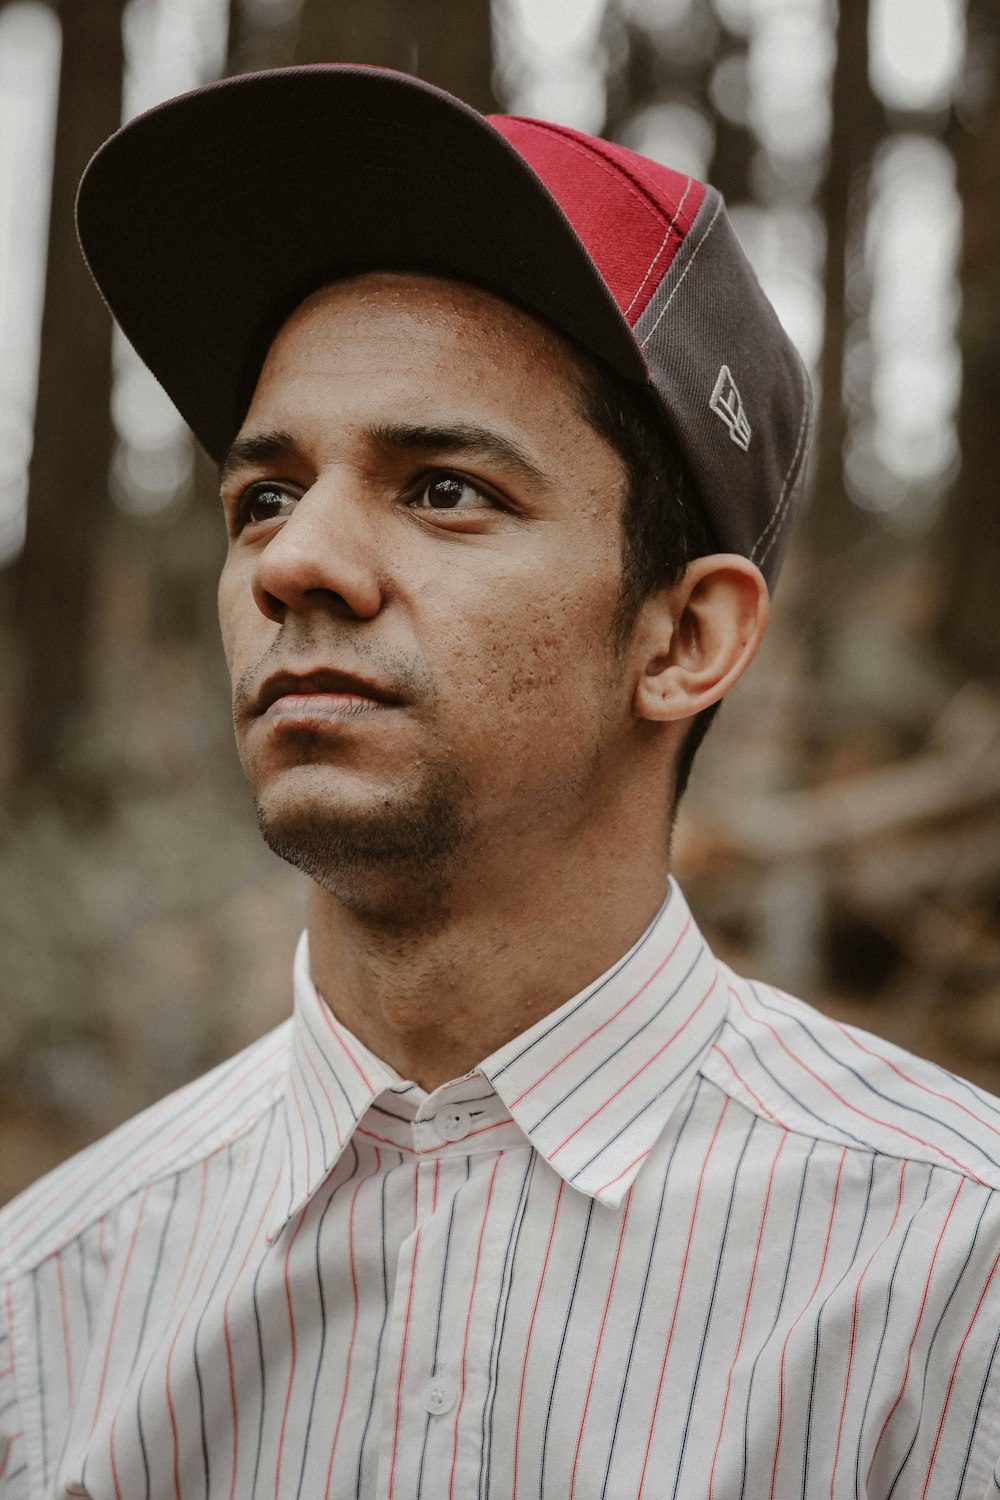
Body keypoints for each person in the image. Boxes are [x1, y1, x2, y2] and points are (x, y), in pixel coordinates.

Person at [1, 64, 999, 1500]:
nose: (293, 564)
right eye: (265, 496)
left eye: (444, 488)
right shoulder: (50, 1316)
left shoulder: (955, 1289)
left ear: (685, 635)